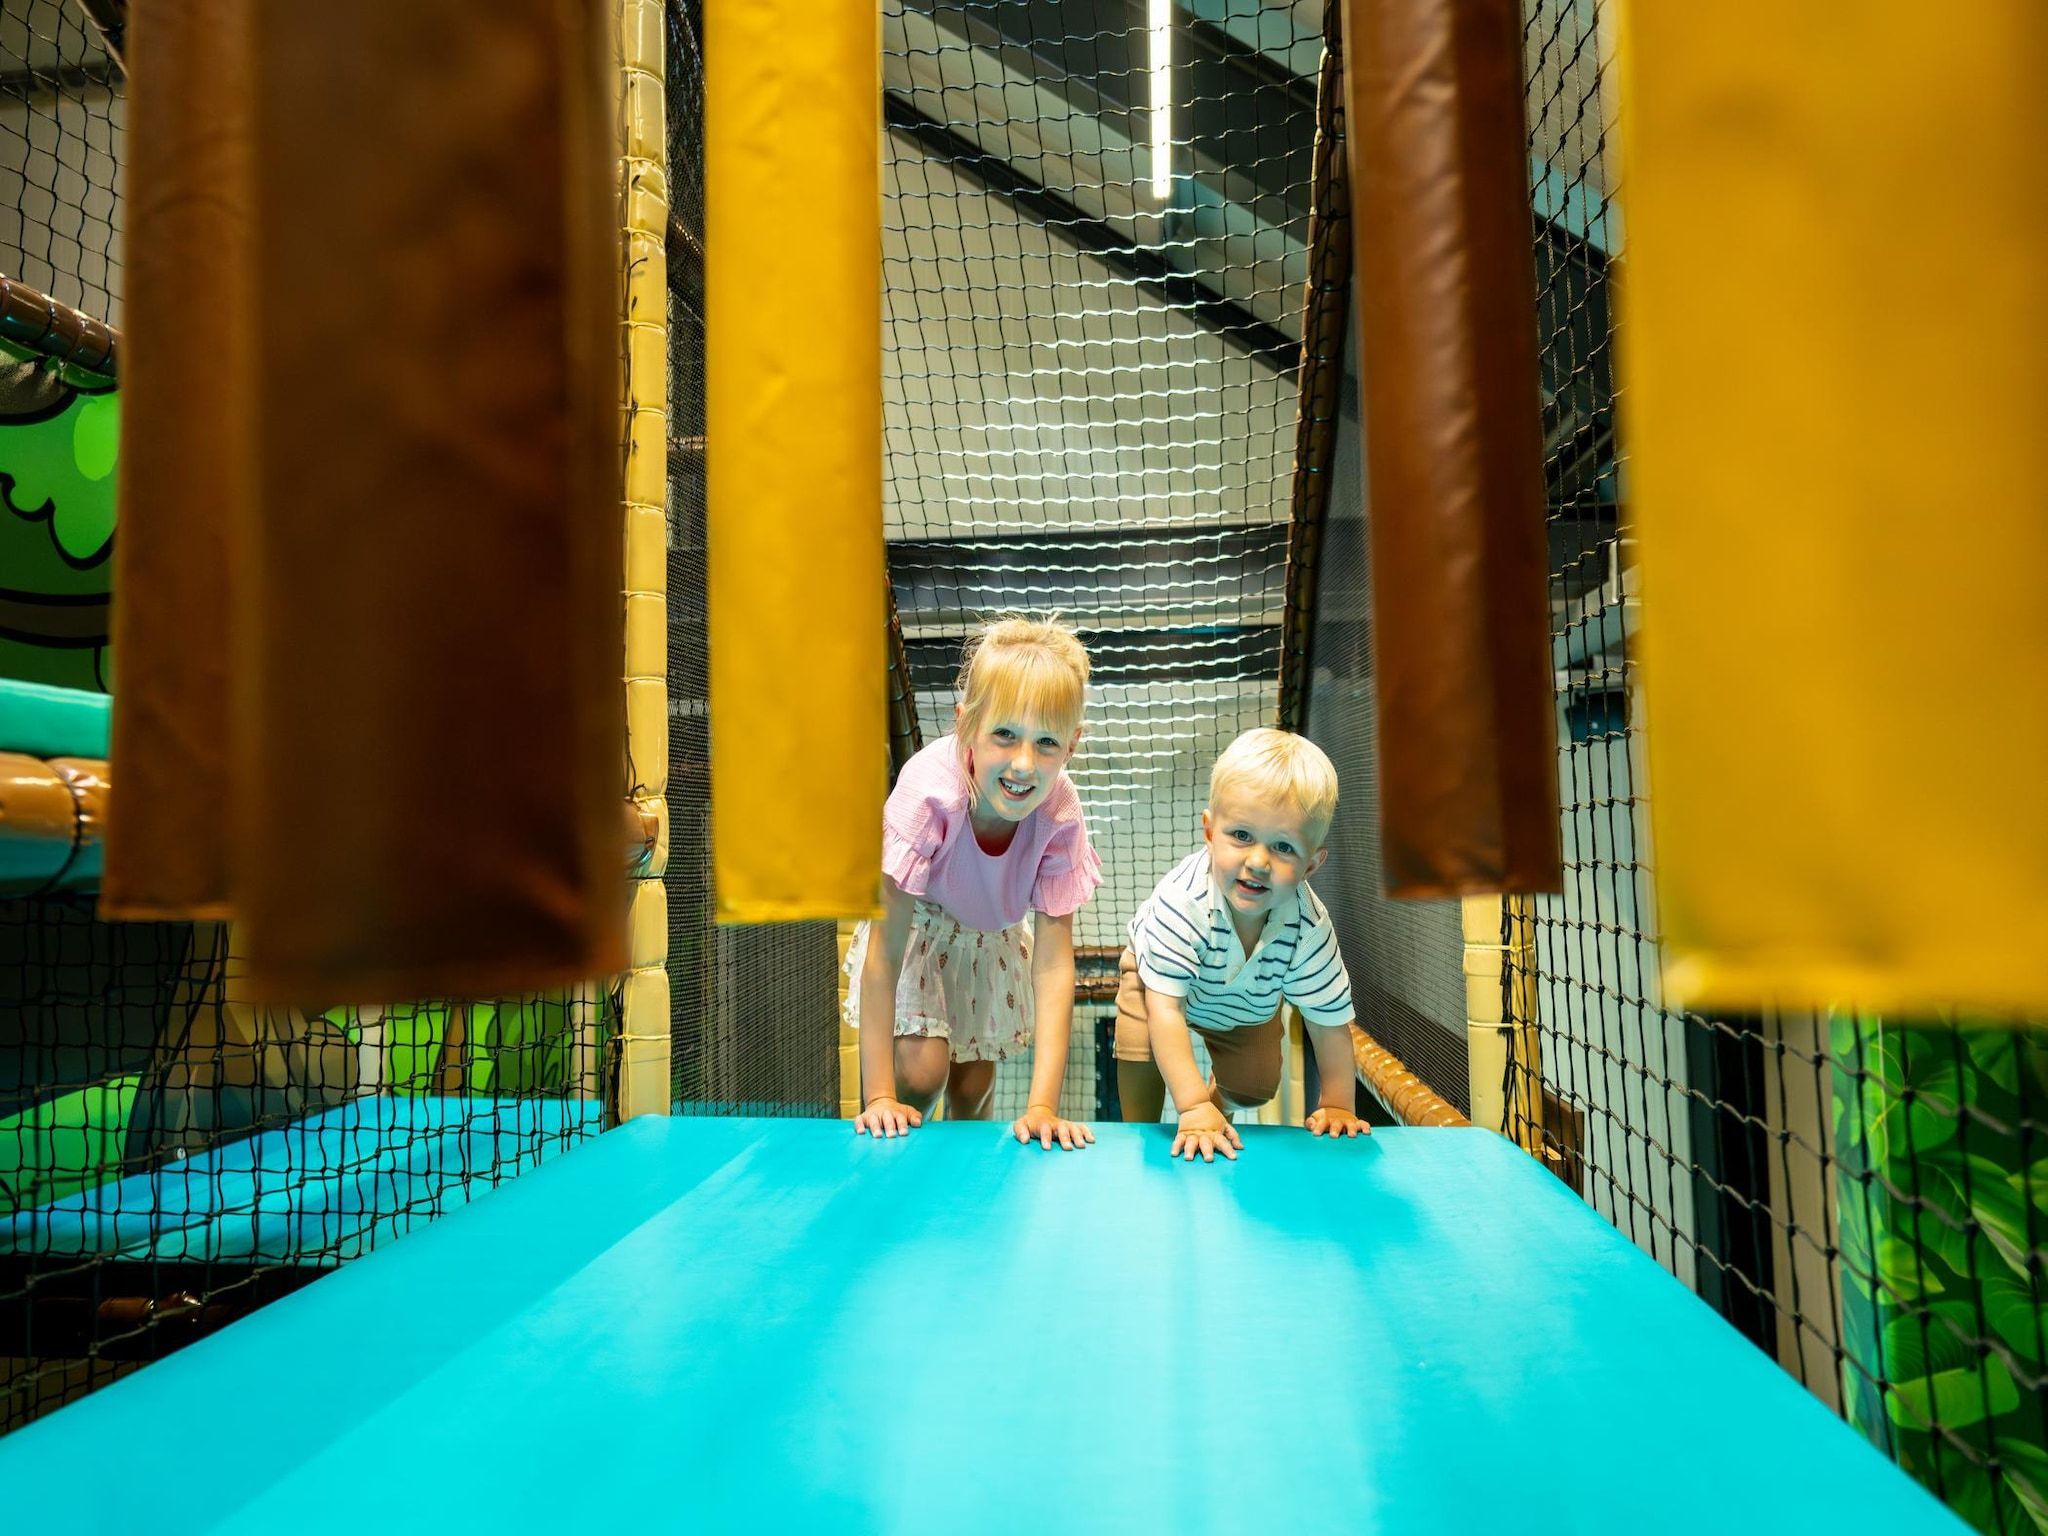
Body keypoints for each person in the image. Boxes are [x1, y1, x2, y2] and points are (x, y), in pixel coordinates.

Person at [847, 616, 1101, 1150]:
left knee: (973, 1088)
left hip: (992, 938)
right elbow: (884, 950)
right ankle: (894, 1163)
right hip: (918, 928)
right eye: (1005, 735)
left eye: (1047, 742)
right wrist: (878, 1096)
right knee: (920, 1074)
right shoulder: (929, 793)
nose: (1024, 763)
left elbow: (1054, 962)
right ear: (966, 725)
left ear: (1072, 746)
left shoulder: (1060, 813)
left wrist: (1042, 1108)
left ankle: (965, 1209)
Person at [1115, 727, 1370, 1161]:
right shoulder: (1184, 902)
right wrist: (1190, 1107)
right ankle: (1147, 1138)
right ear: (1209, 831)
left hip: (1245, 1009)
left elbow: (1327, 1023)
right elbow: (1166, 1011)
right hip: (1155, 989)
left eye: (1283, 847)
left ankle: (1214, 1114)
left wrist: (1338, 1104)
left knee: (1254, 1089)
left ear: (1311, 864)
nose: (1257, 862)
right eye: (1242, 836)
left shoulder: (1308, 927)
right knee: (1142, 1056)